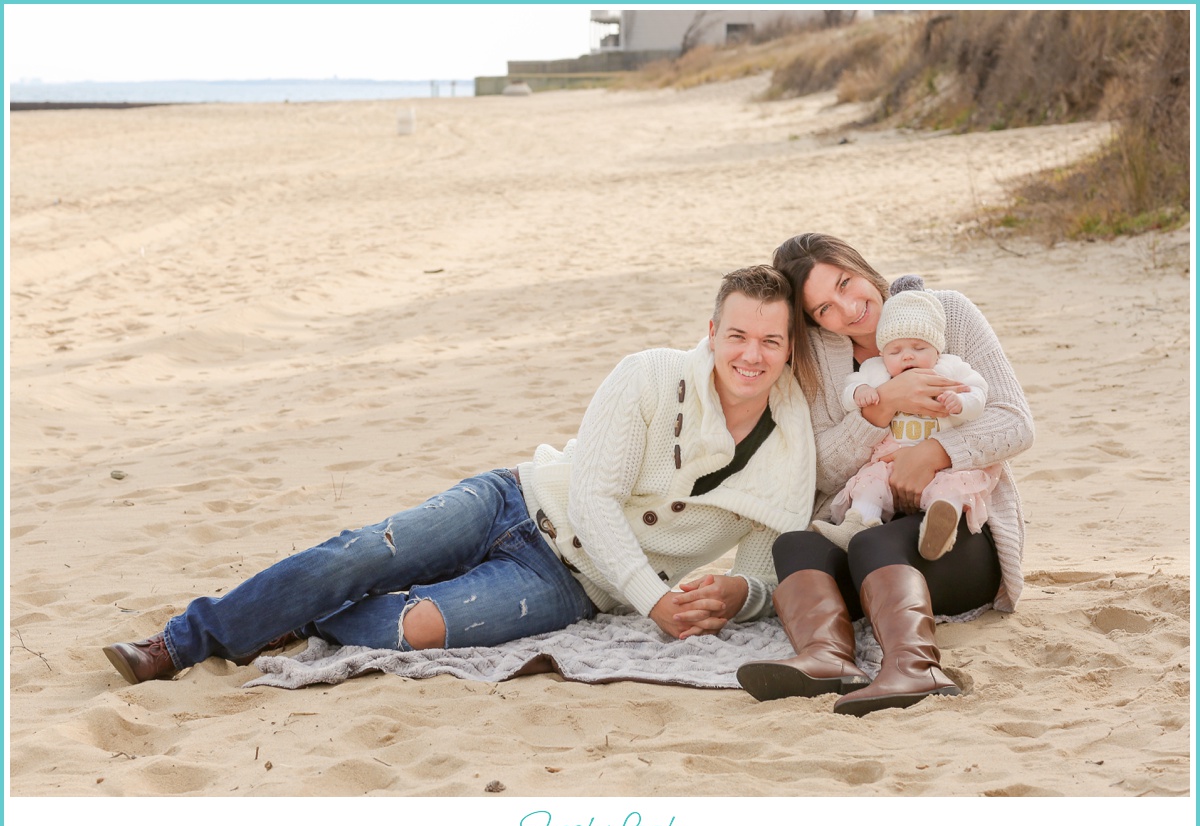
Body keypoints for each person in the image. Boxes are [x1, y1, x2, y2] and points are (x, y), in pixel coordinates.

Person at [103, 266, 817, 685]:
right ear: (714, 330)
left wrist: (739, 594)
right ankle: (182, 641)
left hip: (568, 585)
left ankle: (295, 613)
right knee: (361, 553)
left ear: (789, 349)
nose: (750, 355)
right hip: (512, 499)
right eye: (737, 335)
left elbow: (764, 577)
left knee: (418, 626)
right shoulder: (649, 376)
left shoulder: (788, 451)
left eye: (770, 341)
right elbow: (595, 501)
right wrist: (655, 601)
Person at [736, 233, 1033, 717]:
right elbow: (821, 468)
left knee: (875, 543)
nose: (848, 309)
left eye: (846, 283)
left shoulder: (948, 313)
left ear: (858, 264)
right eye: (824, 309)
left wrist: (935, 452)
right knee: (795, 544)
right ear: (812, 321)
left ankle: (916, 669)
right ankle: (827, 659)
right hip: (868, 526)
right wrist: (882, 408)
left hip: (958, 535)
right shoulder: (815, 358)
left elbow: (1015, 422)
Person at [810, 287, 1001, 561]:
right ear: (883, 353)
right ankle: (858, 524)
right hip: (890, 462)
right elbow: (851, 388)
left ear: (937, 349)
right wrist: (861, 393)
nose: (907, 356)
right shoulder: (878, 370)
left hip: (942, 465)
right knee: (871, 481)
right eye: (896, 350)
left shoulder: (951, 367)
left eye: (919, 347)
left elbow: (978, 392)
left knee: (953, 485)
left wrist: (961, 403)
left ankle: (940, 524)